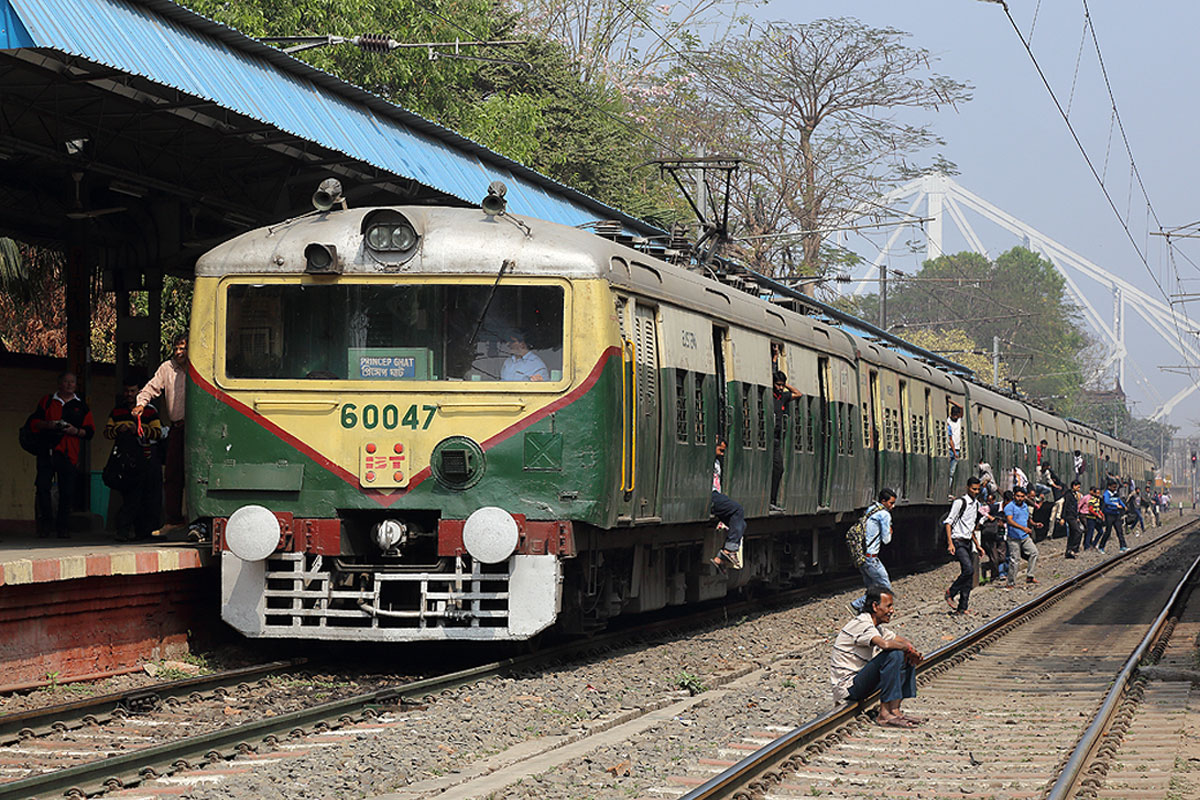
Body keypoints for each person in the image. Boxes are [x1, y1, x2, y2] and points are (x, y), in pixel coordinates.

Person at [830, 586, 924, 727]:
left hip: (860, 681)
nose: (892, 611)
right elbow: (885, 644)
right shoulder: (861, 624)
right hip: (848, 687)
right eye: (888, 606)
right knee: (895, 653)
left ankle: (895, 711)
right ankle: (884, 715)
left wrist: (911, 650)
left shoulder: (876, 627)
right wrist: (906, 648)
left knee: (904, 653)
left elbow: (900, 640)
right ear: (875, 606)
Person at [29, 372, 95, 538]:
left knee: (67, 492)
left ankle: (63, 527)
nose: (69, 384)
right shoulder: (48, 401)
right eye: (66, 381)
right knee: (43, 488)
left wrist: (75, 431)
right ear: (59, 383)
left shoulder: (81, 406)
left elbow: (90, 432)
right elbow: (33, 423)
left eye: (72, 382)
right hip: (47, 450)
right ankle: (45, 525)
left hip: (69, 453)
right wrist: (49, 424)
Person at [134, 334, 188, 533]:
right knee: (172, 474)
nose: (178, 352)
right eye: (176, 348)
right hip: (177, 427)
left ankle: (199, 521)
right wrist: (141, 403)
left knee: (195, 475)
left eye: (183, 348)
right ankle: (173, 519)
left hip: (198, 429)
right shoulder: (168, 368)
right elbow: (151, 387)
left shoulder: (200, 368)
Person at [104, 378, 163, 541]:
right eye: (127, 391)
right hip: (125, 461)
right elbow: (107, 432)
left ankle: (145, 532)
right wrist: (120, 429)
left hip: (147, 459)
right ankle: (123, 530)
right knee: (130, 497)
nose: (129, 395)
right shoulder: (117, 411)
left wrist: (137, 429)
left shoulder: (150, 411)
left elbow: (157, 433)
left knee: (149, 497)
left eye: (132, 391)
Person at [849, 489, 898, 614]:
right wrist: (890, 532)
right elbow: (886, 540)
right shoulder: (884, 514)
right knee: (885, 587)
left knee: (872, 588)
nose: (893, 506)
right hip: (871, 558)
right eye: (891, 503)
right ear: (883, 501)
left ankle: (863, 613)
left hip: (861, 556)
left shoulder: (871, 509)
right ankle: (857, 605)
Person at [944, 477, 983, 615]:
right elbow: (948, 522)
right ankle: (951, 592)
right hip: (957, 540)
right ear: (967, 487)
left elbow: (970, 527)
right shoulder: (960, 502)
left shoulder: (977, 505)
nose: (976, 491)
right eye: (974, 489)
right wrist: (950, 543)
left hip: (968, 541)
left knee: (969, 575)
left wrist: (978, 545)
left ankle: (963, 607)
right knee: (968, 569)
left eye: (978, 489)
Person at [710, 439, 746, 570]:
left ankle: (720, 559)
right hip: (711, 495)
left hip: (717, 495)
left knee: (740, 524)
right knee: (738, 510)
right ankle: (728, 551)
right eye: (721, 450)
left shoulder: (717, 462)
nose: (722, 454)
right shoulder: (707, 460)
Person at [769, 371, 801, 512]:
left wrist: (785, 384)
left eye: (782, 385)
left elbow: (798, 394)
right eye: (778, 385)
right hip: (767, 438)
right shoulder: (770, 395)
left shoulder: (782, 397)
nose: (780, 388)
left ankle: (773, 500)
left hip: (776, 439)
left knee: (779, 468)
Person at [1004, 486, 1040, 587]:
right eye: (1018, 496)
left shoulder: (1025, 506)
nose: (1020, 498)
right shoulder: (1009, 507)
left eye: (1022, 496)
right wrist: (1023, 528)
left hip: (1024, 537)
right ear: (1014, 495)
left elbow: (1028, 519)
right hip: (1013, 538)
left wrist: (1034, 524)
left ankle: (1030, 576)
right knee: (1015, 560)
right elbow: (1010, 521)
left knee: (1034, 552)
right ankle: (1010, 583)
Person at [1097, 479, 1129, 554]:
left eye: (1115, 487)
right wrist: (1116, 505)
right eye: (1113, 487)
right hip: (1109, 514)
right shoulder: (1106, 493)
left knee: (1119, 531)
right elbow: (1107, 501)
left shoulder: (1115, 493)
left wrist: (1124, 506)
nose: (1115, 488)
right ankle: (1101, 547)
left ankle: (1123, 546)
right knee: (1108, 531)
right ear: (1109, 486)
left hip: (1116, 514)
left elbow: (1119, 500)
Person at [1063, 480, 1084, 558]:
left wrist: (1077, 516)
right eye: (1078, 487)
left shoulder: (1074, 494)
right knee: (1078, 531)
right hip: (1069, 516)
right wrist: (1063, 517)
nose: (1079, 488)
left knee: (1072, 534)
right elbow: (1065, 506)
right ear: (1074, 486)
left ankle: (1068, 551)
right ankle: (1074, 549)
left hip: (1073, 516)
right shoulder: (1068, 495)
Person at [946, 405, 963, 491]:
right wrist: (955, 452)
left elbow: (962, 408)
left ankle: (949, 489)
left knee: (952, 472)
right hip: (950, 449)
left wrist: (950, 401)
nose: (956, 417)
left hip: (957, 449)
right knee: (949, 472)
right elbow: (950, 439)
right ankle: (948, 489)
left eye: (957, 415)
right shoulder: (948, 421)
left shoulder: (959, 421)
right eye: (954, 415)